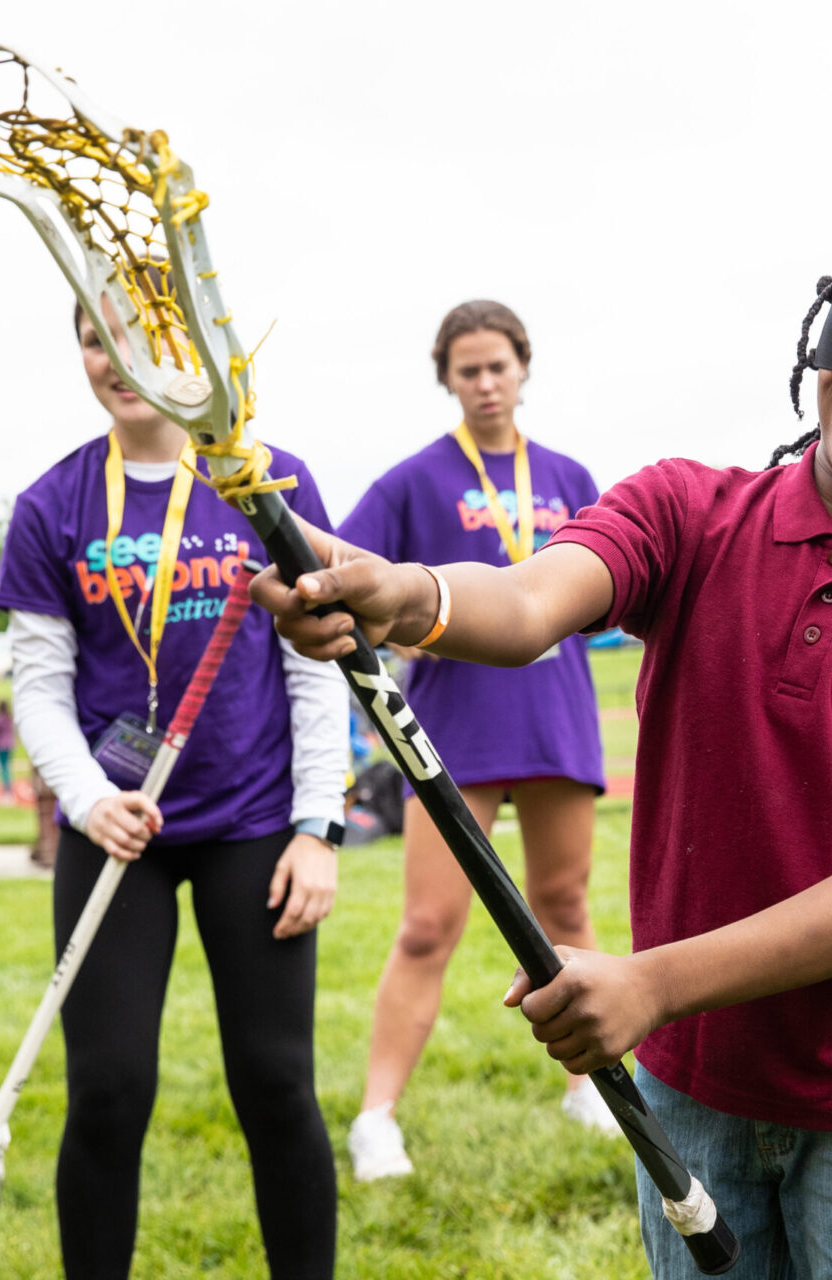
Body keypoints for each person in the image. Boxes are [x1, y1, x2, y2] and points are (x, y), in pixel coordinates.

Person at [256, 223, 832, 1278]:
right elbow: (531, 597)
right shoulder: (688, 510)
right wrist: (407, 594)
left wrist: (650, 983)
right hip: (695, 1086)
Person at [0, 298, 351, 1279]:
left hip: (253, 829)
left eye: (148, 337)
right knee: (107, 1088)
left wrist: (318, 827)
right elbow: (38, 685)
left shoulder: (266, 480)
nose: (120, 360)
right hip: (117, 832)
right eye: (95, 338)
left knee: (277, 1081)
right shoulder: (51, 504)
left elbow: (320, 666)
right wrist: (83, 799)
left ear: (192, 345)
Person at [337, 299, 615, 1182]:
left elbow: (621, 592)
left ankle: (593, 1088)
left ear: (523, 368)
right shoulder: (414, 480)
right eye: (468, 370)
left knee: (565, 912)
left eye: (499, 365)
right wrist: (404, 632)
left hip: (557, 717)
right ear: (447, 379)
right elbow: (346, 585)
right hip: (452, 728)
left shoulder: (570, 476)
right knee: (427, 928)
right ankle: (376, 1117)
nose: (486, 383)